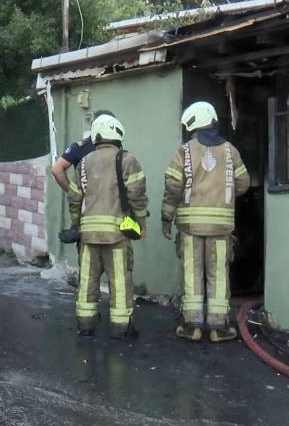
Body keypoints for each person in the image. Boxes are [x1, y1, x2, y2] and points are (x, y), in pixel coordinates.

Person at [162, 101, 250, 343]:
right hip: (221, 227)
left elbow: (172, 187)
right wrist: (225, 194)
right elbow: (244, 183)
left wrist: (166, 217)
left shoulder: (184, 151)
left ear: (194, 123)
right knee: (218, 274)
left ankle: (192, 325)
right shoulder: (231, 151)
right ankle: (218, 326)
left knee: (192, 273)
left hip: (190, 228)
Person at [71, 111, 148, 339]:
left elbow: (74, 198)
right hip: (117, 234)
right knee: (120, 282)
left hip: (88, 235)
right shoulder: (127, 159)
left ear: (96, 135)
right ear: (117, 134)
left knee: (87, 281)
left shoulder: (83, 163)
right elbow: (137, 195)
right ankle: (121, 328)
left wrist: (76, 225)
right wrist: (140, 223)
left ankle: (86, 325)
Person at [51, 130, 95, 243]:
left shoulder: (80, 147)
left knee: (87, 254)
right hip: (111, 209)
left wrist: (72, 191)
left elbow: (57, 169)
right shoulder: (115, 150)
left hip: (84, 209)